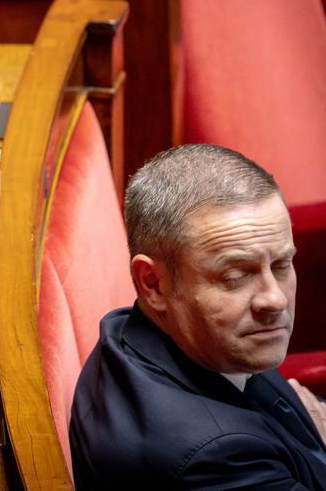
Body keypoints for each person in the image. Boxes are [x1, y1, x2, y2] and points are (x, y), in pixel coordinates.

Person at [70, 144, 326, 488]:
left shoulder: (141, 331)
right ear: (153, 283)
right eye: (235, 276)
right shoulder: (214, 459)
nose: (275, 299)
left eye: (281, 265)